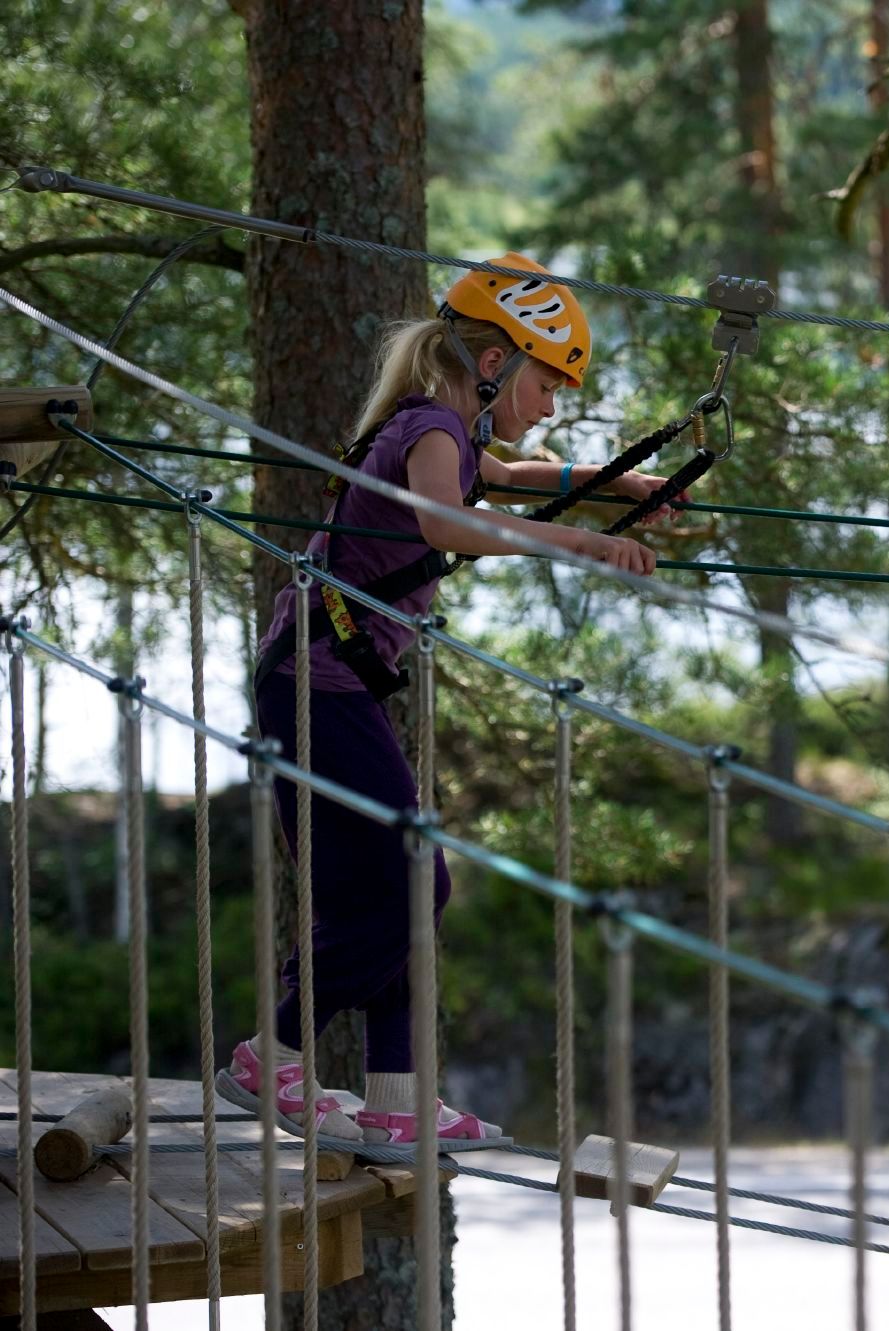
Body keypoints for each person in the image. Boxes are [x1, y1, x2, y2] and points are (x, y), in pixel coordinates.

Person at [218, 254, 667, 1149]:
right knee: (414, 881)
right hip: (315, 682)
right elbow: (447, 520)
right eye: (547, 382)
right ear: (494, 363)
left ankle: (397, 1098)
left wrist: (613, 484)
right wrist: (578, 542)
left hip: (322, 681)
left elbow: (507, 475)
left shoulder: (443, 431)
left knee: (397, 891)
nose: (550, 405)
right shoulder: (431, 428)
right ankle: (275, 1052)